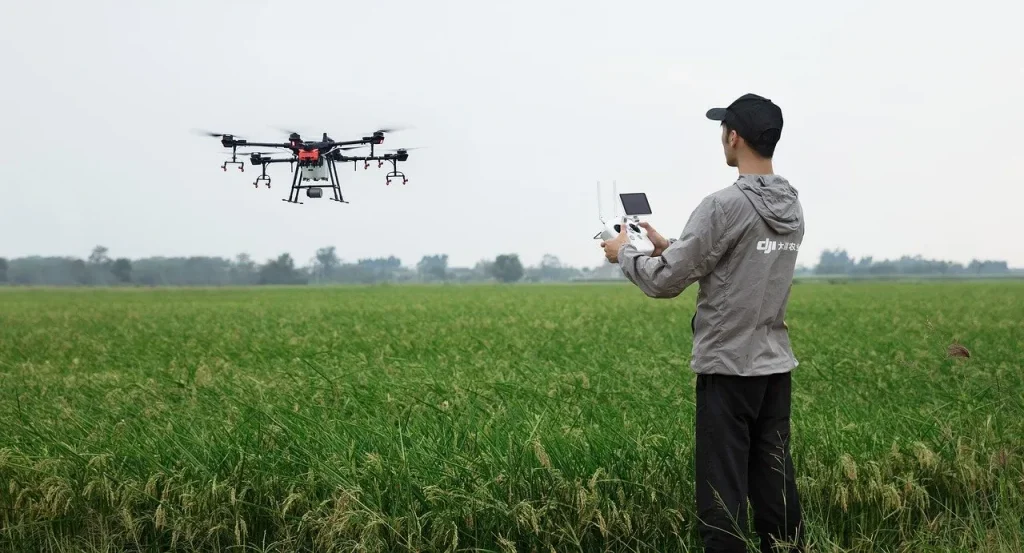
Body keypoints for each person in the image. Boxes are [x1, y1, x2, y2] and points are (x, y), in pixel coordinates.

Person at [600, 93, 805, 552]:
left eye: (723, 132)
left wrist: (625, 253)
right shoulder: (792, 205)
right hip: (773, 367)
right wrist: (669, 243)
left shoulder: (723, 205)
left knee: (721, 493)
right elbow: (738, 259)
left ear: (734, 137)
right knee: (774, 483)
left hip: (728, 368)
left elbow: (666, 282)